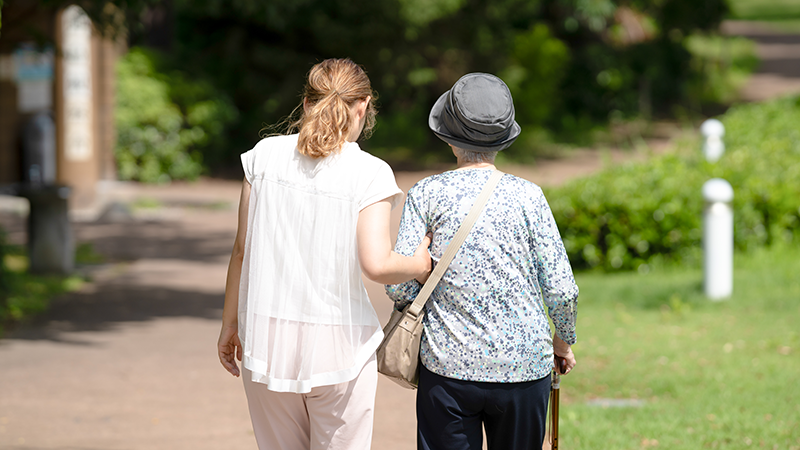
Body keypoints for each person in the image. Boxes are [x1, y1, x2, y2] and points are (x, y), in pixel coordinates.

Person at [217, 58, 432, 450]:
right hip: (341, 348)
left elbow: (241, 251)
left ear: (305, 103)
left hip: (265, 343)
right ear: (363, 106)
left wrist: (230, 323)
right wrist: (419, 264)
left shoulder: (263, 156)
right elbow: (378, 264)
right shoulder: (370, 172)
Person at [385, 73, 579, 450]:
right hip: (524, 369)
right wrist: (563, 341)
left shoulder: (427, 193)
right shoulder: (529, 197)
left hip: (448, 368)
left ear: (446, 133)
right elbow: (561, 288)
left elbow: (398, 284)